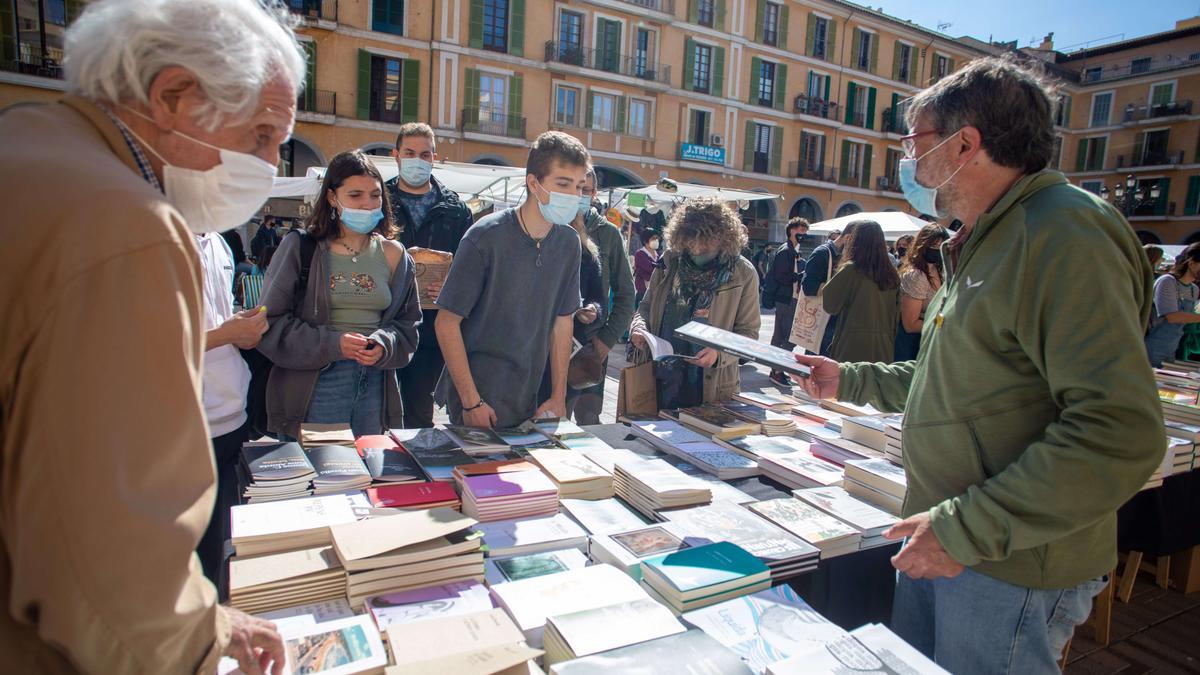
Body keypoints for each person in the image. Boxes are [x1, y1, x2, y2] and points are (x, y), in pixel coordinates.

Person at [793, 56, 1162, 673]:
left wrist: (966, 530)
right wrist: (848, 378)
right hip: (952, 540)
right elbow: (952, 383)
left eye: (916, 143)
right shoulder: (990, 235)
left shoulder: (1064, 235)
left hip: (1005, 561)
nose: (909, 162)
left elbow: (1119, 429)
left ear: (966, 144)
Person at [0, 0, 301, 671]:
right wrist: (197, 644)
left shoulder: (30, 144)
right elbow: (108, 560)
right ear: (173, 96)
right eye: (260, 135)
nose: (271, 163)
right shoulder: (127, 223)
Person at [258, 150, 421, 440]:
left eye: (375, 195)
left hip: (375, 384)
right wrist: (334, 344)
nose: (367, 204)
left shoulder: (396, 255)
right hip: (316, 382)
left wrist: (383, 344)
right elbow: (270, 322)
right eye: (355, 195)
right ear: (333, 198)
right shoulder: (300, 247)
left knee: (367, 475)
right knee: (323, 475)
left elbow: (408, 325)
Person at [434, 131, 585, 428]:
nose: (574, 196)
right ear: (533, 183)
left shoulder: (569, 243)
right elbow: (446, 322)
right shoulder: (484, 237)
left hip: (530, 398)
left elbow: (563, 321)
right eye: (563, 184)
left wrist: (558, 396)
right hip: (477, 399)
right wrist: (471, 401)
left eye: (580, 186)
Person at [629, 197, 761, 405]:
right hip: (661, 381)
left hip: (711, 387)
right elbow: (645, 307)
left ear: (724, 239)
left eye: (705, 247)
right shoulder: (669, 261)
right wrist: (638, 327)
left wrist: (719, 354)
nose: (697, 252)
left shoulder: (743, 273)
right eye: (691, 246)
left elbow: (748, 335)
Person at [385, 122, 473, 428]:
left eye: (424, 154)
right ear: (396, 155)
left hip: (433, 329)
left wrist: (453, 286)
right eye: (410, 153)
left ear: (434, 157)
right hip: (386, 322)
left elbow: (469, 266)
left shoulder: (457, 209)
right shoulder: (379, 201)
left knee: (420, 414)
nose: (417, 160)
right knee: (382, 411)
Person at [194, 231, 268, 592]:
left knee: (220, 546)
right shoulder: (150, 240)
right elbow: (144, 343)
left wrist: (240, 327)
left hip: (231, 414)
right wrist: (226, 334)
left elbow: (215, 319)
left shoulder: (218, 243)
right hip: (184, 424)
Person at [571, 169, 635, 425]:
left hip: (592, 346)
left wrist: (607, 340)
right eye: (576, 189)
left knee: (588, 422)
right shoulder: (552, 225)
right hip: (552, 343)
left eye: (585, 191)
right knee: (551, 420)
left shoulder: (608, 234)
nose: (580, 196)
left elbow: (626, 294)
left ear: (594, 194)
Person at [822, 221, 899, 363]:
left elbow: (830, 305)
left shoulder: (851, 270)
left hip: (852, 346)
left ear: (856, 241)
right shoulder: (892, 275)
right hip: (883, 348)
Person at [801, 222, 860, 356]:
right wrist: (839, 288)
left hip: (833, 321)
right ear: (848, 238)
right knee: (816, 362)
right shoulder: (822, 253)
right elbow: (808, 287)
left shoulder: (845, 256)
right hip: (820, 321)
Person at [894, 224, 950, 361]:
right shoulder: (916, 276)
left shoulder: (940, 270)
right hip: (913, 347)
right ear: (922, 245)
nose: (937, 250)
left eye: (941, 246)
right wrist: (943, 324)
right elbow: (910, 325)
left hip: (930, 342)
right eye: (934, 245)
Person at [766, 218, 809, 385]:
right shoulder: (785, 251)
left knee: (781, 337)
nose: (804, 234)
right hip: (786, 299)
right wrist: (799, 276)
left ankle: (776, 370)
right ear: (792, 231)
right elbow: (780, 276)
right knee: (788, 337)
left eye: (805, 231)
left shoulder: (794, 250)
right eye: (802, 231)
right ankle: (777, 370)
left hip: (788, 299)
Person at [1145, 243, 1200, 367]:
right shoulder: (1167, 282)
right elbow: (1172, 316)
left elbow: (1188, 321)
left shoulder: (1194, 289)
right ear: (1191, 263)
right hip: (1151, 349)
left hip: (1171, 350)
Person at [634, 230, 661, 308]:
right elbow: (650, 268)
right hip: (643, 292)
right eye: (653, 238)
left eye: (657, 239)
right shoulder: (639, 254)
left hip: (656, 292)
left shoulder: (658, 255)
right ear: (646, 240)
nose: (656, 241)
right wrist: (659, 267)